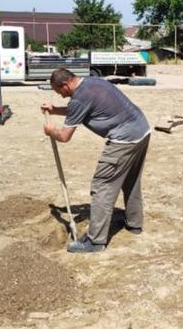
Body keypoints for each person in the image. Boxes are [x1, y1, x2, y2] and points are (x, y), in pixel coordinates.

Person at [41, 68, 151, 253]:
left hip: (123, 140)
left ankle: (95, 241)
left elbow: (65, 136)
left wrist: (51, 131)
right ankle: (134, 224)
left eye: (60, 92)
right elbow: (80, 109)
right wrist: (55, 110)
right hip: (142, 130)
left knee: (102, 185)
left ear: (66, 85)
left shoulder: (79, 98)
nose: (60, 96)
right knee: (131, 181)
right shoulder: (92, 83)